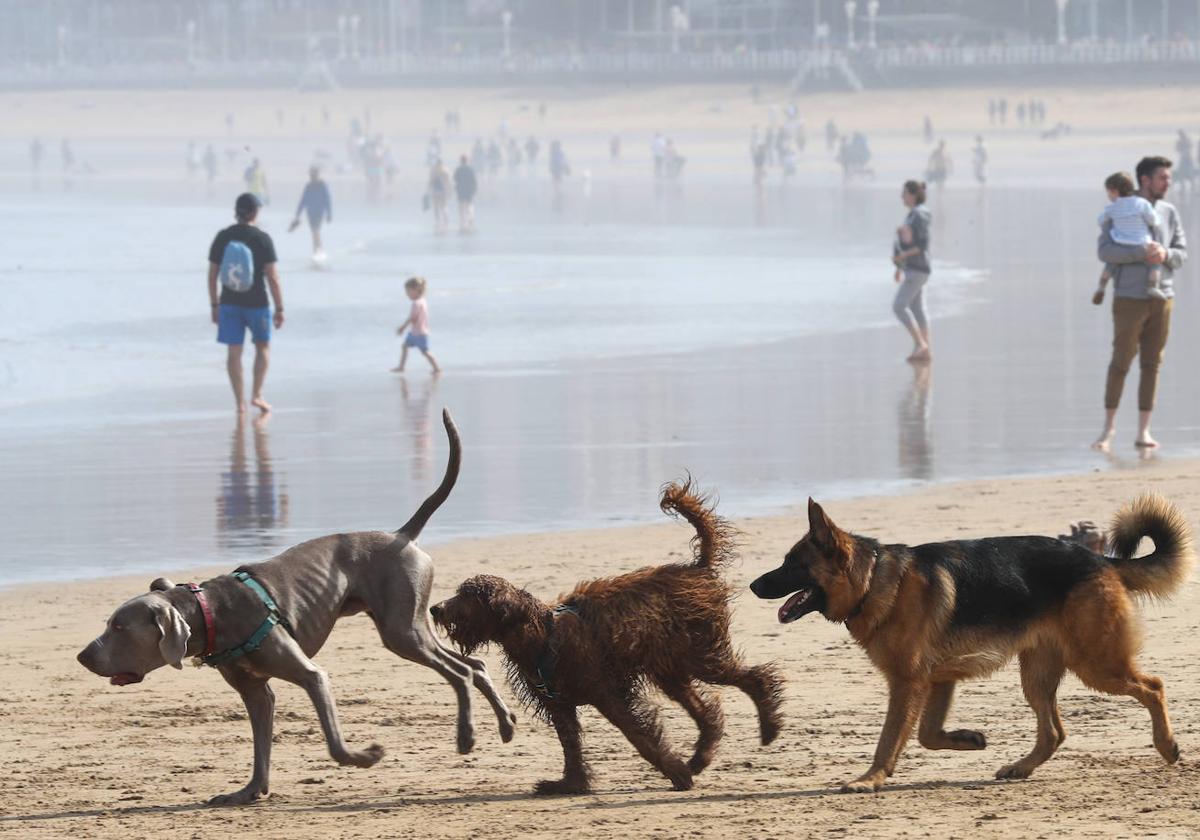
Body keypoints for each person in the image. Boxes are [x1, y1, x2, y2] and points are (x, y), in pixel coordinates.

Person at [1092, 156, 1187, 452]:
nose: (1168, 183)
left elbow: (1182, 252)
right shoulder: (1119, 210)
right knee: (1120, 361)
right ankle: (1108, 430)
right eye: (1162, 178)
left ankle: (1144, 432)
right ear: (1144, 180)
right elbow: (1105, 251)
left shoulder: (1169, 212)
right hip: (1129, 298)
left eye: (1169, 178)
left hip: (1163, 297)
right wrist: (1140, 254)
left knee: (1152, 363)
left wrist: (1165, 254)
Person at [208, 193, 284, 414]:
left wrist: (214, 305)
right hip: (257, 303)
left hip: (229, 303)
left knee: (234, 352)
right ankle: (257, 395)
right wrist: (279, 308)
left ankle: (239, 403)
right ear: (255, 212)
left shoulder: (223, 236)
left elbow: (212, 274)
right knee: (262, 347)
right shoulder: (262, 239)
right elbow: (272, 277)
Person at [1095, 171, 1164, 304]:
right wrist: (1158, 219)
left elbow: (1100, 220)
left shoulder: (1112, 207)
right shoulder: (1141, 203)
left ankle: (1101, 287)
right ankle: (1152, 286)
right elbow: (1153, 220)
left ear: (1114, 191)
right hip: (1141, 245)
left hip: (1120, 245)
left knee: (1110, 265)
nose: (1108, 196)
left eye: (1108, 193)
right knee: (1155, 261)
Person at [891, 180, 933, 363]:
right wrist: (899, 267)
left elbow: (922, 244)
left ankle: (921, 344)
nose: (902, 197)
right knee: (917, 308)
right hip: (916, 268)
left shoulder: (918, 215)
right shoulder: (915, 214)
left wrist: (902, 257)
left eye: (904, 193)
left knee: (899, 306)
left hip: (917, 268)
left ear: (913, 194)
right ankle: (924, 349)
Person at [393, 277, 440, 374]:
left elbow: (412, 318)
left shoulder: (416, 303)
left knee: (425, 351)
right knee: (404, 346)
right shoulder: (423, 301)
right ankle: (401, 367)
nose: (407, 295)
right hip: (416, 332)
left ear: (416, 290)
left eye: (408, 292)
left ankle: (436, 368)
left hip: (419, 333)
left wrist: (402, 327)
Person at [288, 166, 332, 257]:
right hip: (310, 213)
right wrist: (298, 214)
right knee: (314, 232)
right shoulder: (308, 186)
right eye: (311, 174)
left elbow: (328, 200)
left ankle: (319, 251)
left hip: (319, 212)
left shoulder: (322, 185)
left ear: (317, 175)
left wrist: (329, 214)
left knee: (316, 231)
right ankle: (316, 251)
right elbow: (303, 200)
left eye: (314, 174)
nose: (312, 176)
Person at [453, 155, 478, 233]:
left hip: (460, 189)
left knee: (461, 206)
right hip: (469, 190)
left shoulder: (458, 169)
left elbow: (455, 179)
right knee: (469, 204)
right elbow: (474, 180)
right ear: (467, 161)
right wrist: (474, 190)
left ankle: (462, 222)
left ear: (461, 161)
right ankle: (470, 217)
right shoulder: (471, 169)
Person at [426, 159, 450, 234]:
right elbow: (448, 181)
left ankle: (438, 221)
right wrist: (449, 190)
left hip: (436, 191)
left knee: (436, 206)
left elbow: (430, 181)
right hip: (442, 191)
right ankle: (445, 221)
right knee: (443, 206)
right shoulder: (445, 170)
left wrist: (428, 189)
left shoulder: (433, 170)